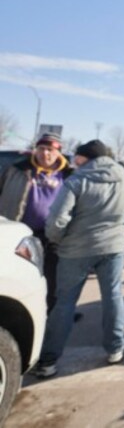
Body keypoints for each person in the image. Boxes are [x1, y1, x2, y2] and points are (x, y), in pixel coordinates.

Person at [33, 140, 124, 378]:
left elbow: (57, 219)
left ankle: (48, 361)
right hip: (114, 247)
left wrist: (56, 239)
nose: (74, 160)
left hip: (75, 250)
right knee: (113, 296)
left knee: (65, 303)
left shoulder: (77, 180)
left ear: (86, 158)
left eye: (77, 157)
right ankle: (116, 349)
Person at [0, 132, 73, 313]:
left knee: (51, 278)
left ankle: (49, 315)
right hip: (22, 233)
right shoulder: (17, 169)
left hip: (54, 236)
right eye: (41, 148)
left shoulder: (69, 176)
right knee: (17, 276)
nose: (45, 153)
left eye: (50, 150)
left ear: (59, 153)